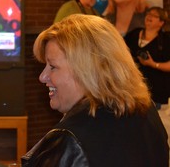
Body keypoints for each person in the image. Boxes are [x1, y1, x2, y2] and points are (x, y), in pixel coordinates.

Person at [21, 14, 169, 167]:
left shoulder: (70, 138)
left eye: (52, 66)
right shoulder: (148, 111)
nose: (42, 77)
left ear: (87, 71)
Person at [124, 6, 170, 108]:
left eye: (154, 15)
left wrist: (153, 64)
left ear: (161, 22)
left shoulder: (166, 40)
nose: (149, 16)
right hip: (132, 89)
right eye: (148, 14)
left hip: (155, 92)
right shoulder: (134, 33)